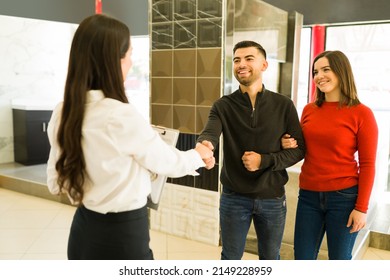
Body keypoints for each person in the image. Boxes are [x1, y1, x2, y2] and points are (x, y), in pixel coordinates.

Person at [46, 14, 214, 260]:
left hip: (82, 230)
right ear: (113, 61)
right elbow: (167, 162)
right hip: (122, 235)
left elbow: (54, 182)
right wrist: (198, 155)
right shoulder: (119, 115)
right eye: (129, 54)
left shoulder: (63, 112)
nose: (130, 62)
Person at [197, 40, 305, 260]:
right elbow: (210, 132)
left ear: (264, 65)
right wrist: (205, 146)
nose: (241, 64)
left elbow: (298, 150)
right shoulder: (223, 105)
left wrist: (264, 161)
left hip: (272, 197)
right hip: (234, 197)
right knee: (230, 258)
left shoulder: (283, 105)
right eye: (237, 60)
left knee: (269, 258)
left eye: (248, 58)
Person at [282, 50, 378, 260]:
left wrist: (361, 208)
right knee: (303, 258)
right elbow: (301, 150)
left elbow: (369, 165)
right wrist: (286, 144)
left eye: (326, 69)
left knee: (339, 260)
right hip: (308, 196)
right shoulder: (309, 110)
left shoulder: (362, 113)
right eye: (316, 71)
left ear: (342, 71)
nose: (319, 76)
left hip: (344, 198)